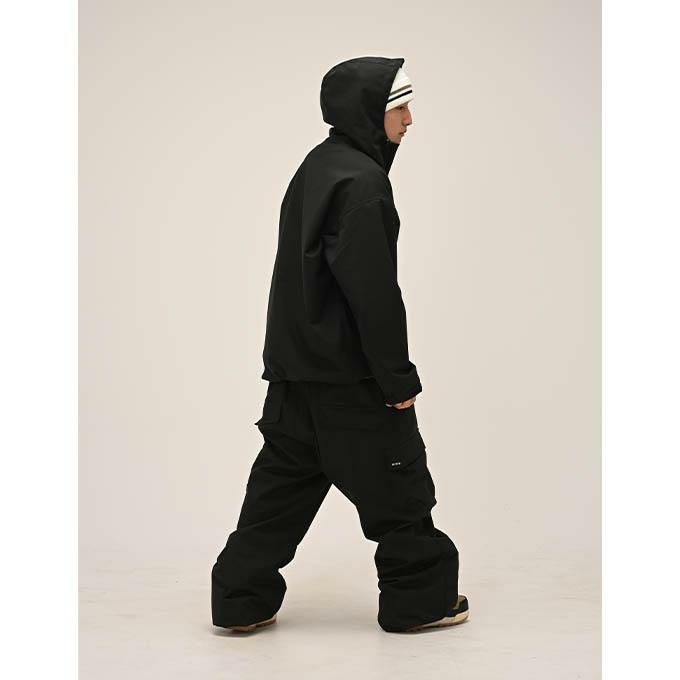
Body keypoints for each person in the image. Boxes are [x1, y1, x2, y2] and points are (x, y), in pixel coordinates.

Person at [211, 56, 469, 634]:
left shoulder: (317, 167)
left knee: (279, 493)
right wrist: (396, 379)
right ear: (369, 113)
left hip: (295, 375)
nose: (409, 119)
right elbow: (373, 294)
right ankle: (420, 602)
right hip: (352, 380)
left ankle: (239, 600)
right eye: (399, 107)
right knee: (400, 490)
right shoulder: (363, 184)